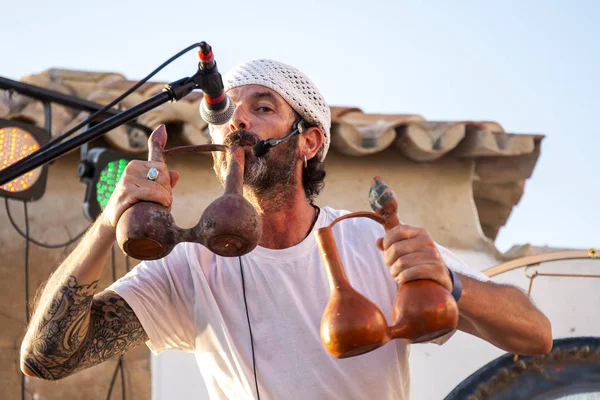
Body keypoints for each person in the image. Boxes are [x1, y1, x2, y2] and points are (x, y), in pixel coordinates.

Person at [20, 59, 552, 399]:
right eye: (229, 114)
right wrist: (108, 223)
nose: (237, 123)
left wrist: (451, 284)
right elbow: (47, 359)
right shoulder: (189, 263)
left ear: (309, 141)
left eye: (263, 107)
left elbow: (537, 335)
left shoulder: (371, 239)